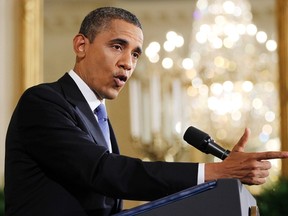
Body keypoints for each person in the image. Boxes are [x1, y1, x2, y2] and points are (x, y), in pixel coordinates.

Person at [4, 6, 288, 216]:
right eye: (118, 46)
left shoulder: (99, 118)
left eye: (136, 54)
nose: (128, 63)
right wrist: (214, 171)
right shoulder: (43, 102)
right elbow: (104, 171)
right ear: (81, 45)